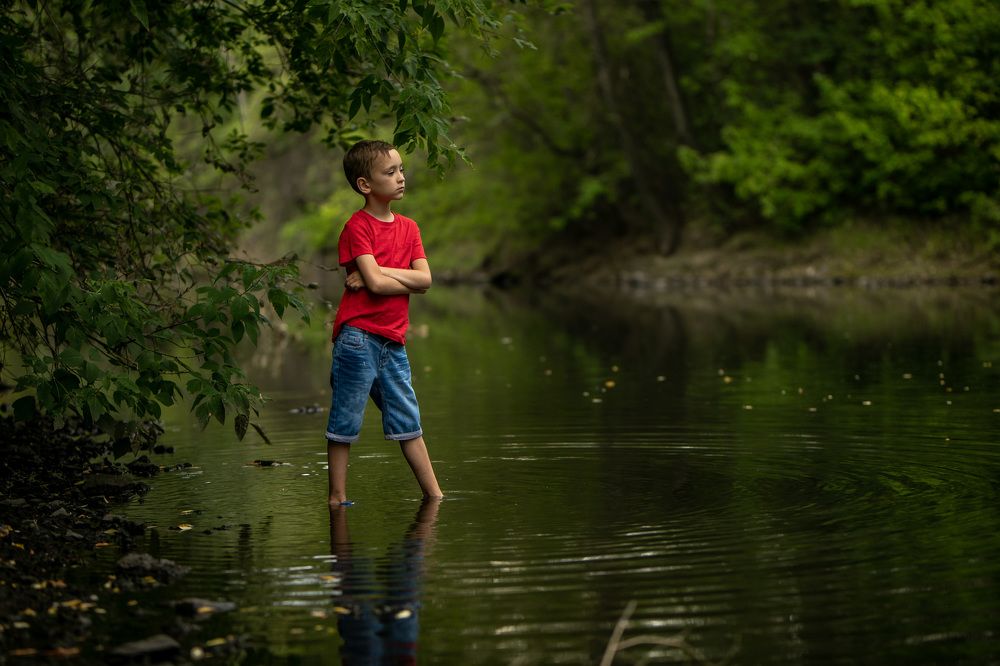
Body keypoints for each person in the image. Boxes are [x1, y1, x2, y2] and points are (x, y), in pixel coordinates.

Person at [325, 139, 443, 507]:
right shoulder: (357, 226)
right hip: (358, 339)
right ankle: (337, 499)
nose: (401, 177)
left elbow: (425, 280)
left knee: (409, 420)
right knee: (345, 421)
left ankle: (435, 496)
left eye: (401, 169)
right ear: (365, 184)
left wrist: (379, 270)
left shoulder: (409, 228)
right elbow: (376, 286)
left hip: (393, 341)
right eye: (390, 172)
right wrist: (381, 276)